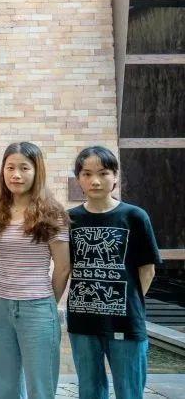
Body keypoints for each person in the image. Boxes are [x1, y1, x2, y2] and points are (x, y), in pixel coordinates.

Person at [66, 146, 161, 399]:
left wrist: (125, 302)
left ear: (115, 176)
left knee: (129, 391)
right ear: (79, 179)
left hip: (125, 321)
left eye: (103, 173)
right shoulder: (69, 219)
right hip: (82, 321)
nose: (95, 181)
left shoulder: (134, 216)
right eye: (87, 174)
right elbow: (66, 266)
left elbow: (147, 270)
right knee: (89, 391)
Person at [0, 142, 70, 399]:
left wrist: (46, 302)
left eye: (24, 168)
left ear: (37, 171)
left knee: (40, 388)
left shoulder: (52, 213)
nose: (16, 175)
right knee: (4, 387)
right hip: (0, 306)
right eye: (10, 167)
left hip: (38, 307)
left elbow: (63, 268)